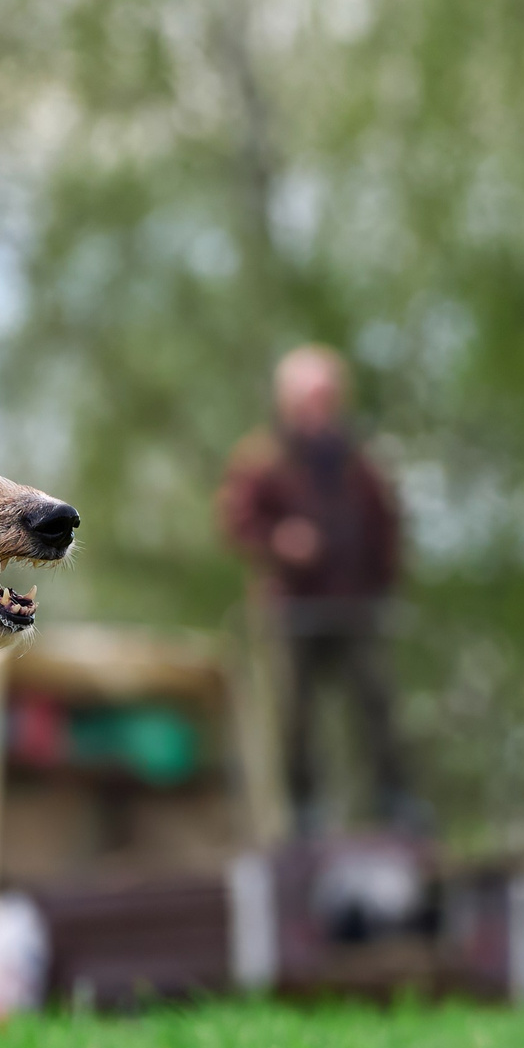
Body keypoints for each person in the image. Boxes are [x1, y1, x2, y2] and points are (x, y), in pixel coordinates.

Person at [219, 345, 422, 835]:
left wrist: (385, 585)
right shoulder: (263, 459)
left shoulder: (361, 464)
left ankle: (395, 804)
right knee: (295, 716)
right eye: (311, 396)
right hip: (294, 611)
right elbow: (237, 522)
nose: (321, 407)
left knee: (377, 707)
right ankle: (303, 815)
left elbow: (386, 527)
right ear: (288, 401)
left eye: (328, 396)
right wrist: (279, 541)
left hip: (356, 608)